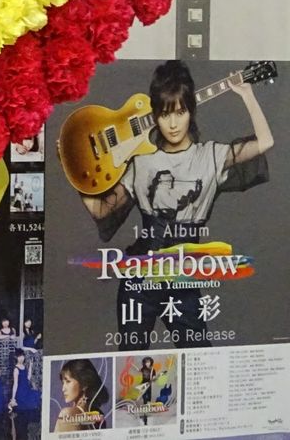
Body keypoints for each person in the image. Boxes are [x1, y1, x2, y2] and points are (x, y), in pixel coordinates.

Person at [78, 60, 274, 349]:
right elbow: (100, 210)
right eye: (164, 114)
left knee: (199, 360)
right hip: (139, 280)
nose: (172, 124)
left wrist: (247, 94)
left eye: (180, 113)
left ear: (191, 112)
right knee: (129, 361)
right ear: (154, 117)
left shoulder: (210, 156)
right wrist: (76, 170)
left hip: (183, 280)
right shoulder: (141, 161)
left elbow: (265, 141)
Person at [55, 359, 107, 432]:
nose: (63, 389)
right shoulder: (98, 416)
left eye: (68, 381)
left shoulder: (67, 414)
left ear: (84, 384)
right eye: (63, 383)